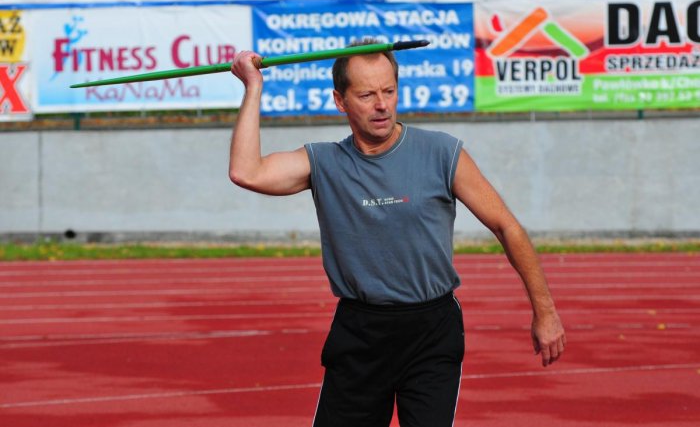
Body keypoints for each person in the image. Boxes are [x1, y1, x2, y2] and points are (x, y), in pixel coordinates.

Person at [229, 38, 566, 427]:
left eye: (389, 91)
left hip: (432, 331)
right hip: (360, 332)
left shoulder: (442, 153)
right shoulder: (324, 162)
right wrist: (253, 87)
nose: (382, 105)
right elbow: (246, 171)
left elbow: (507, 226)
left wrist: (545, 311)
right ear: (340, 101)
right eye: (367, 95)